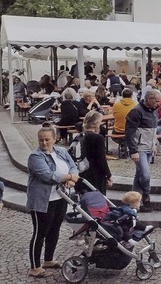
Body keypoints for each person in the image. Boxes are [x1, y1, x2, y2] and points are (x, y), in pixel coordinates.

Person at [27, 126, 80, 278]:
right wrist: (70, 177)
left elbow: (73, 166)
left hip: (59, 197)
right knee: (40, 233)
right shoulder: (35, 157)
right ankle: (34, 267)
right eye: (41, 140)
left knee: (54, 230)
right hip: (42, 201)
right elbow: (49, 176)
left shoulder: (61, 151)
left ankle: (48, 259)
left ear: (54, 139)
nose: (44, 143)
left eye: (47, 139)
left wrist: (73, 177)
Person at [126, 89, 160, 212]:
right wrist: (133, 150)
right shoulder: (136, 112)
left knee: (139, 175)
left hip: (149, 147)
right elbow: (129, 133)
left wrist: (154, 145)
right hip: (139, 148)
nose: (158, 103)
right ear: (149, 99)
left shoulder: (154, 110)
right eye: (156, 101)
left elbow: (154, 130)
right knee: (145, 175)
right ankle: (146, 196)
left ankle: (134, 202)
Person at [75, 111, 112, 195]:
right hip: (96, 173)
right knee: (97, 199)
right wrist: (108, 175)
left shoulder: (80, 136)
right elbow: (101, 159)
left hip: (83, 170)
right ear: (96, 124)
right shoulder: (98, 138)